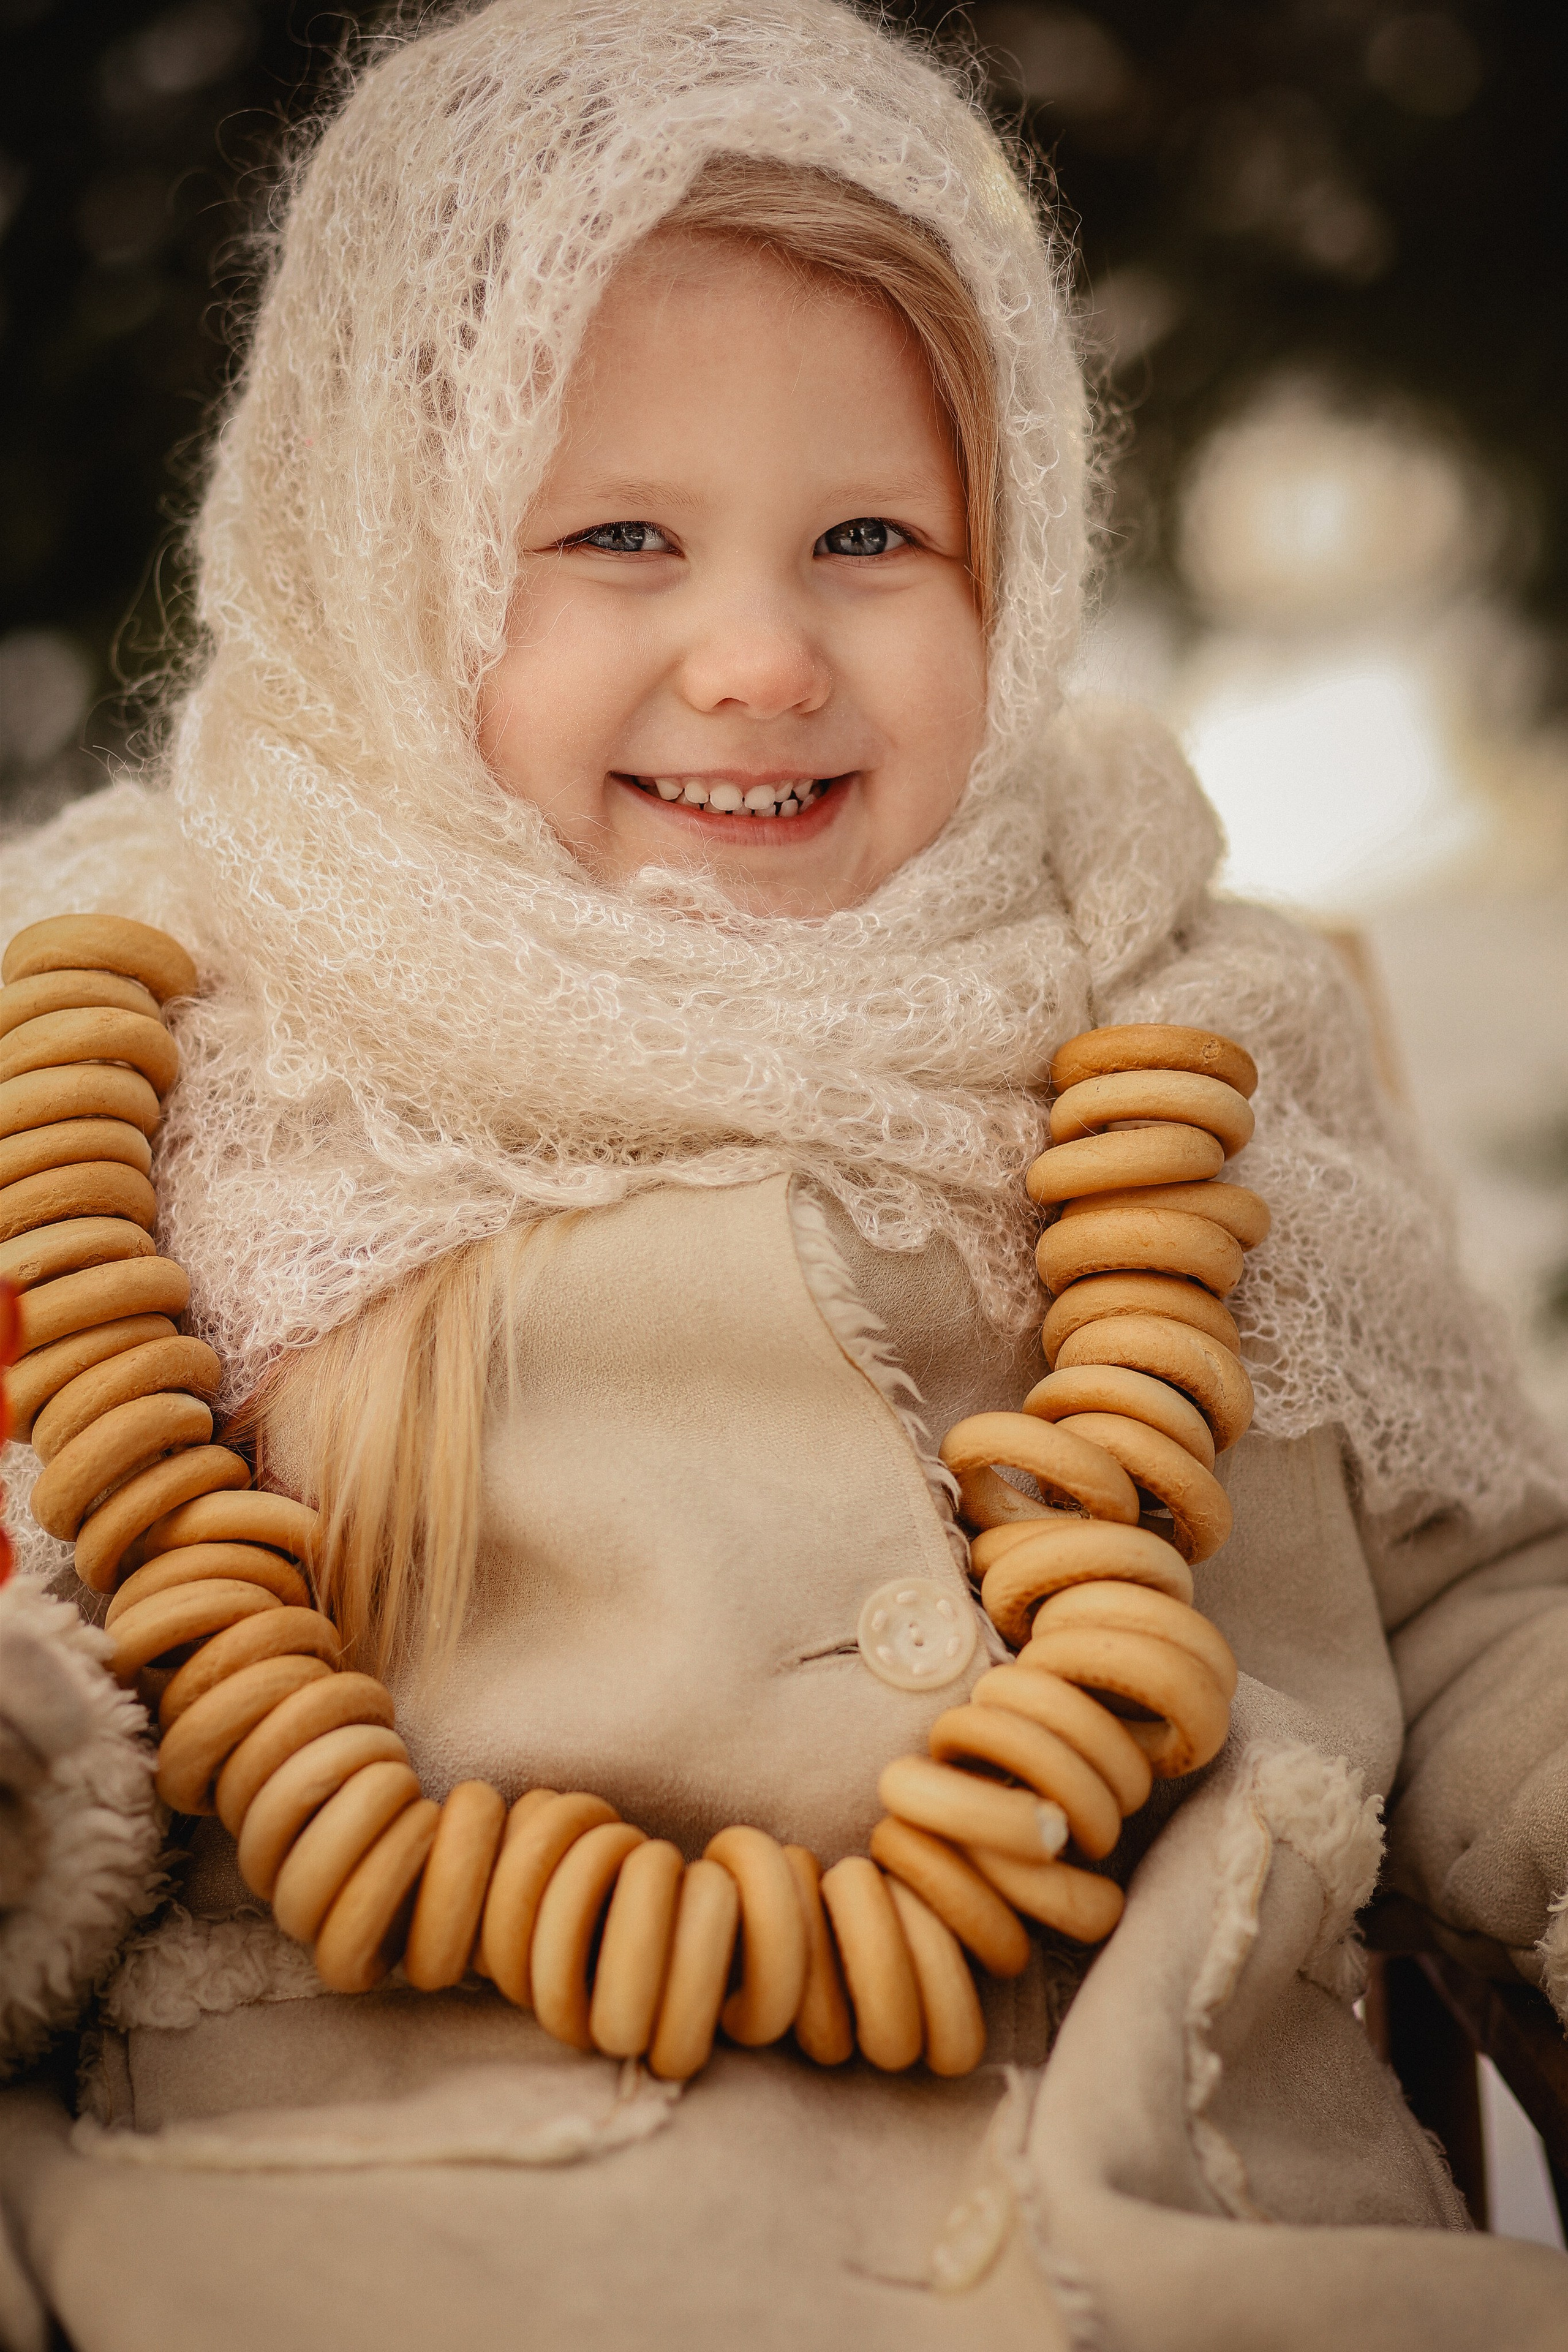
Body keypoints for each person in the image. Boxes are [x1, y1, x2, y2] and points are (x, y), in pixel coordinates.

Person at [2, 3, 1568, 2345]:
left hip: (1198, 2234)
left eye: (871, 538)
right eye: (617, 538)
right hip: (389, 2252)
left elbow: (1468, 1618)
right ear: (376, 560)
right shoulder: (142, 1070)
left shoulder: (1193, 1020)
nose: (757, 654)